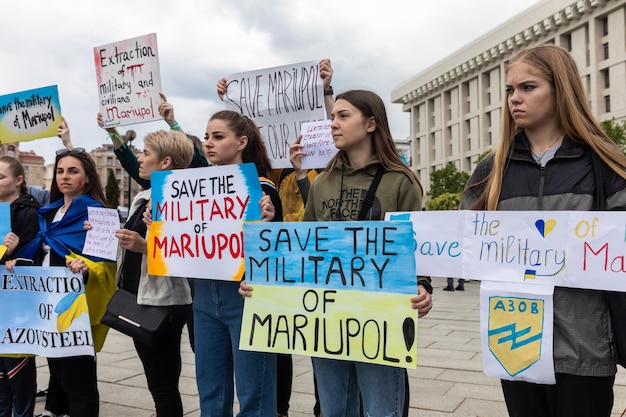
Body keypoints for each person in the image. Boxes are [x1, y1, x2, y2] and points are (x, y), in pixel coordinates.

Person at [241, 89, 433, 416]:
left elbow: (416, 248)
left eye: (343, 116)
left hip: (380, 318)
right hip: (328, 319)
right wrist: (262, 281)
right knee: (333, 410)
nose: (334, 124)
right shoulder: (323, 182)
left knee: (381, 410)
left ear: (371, 123)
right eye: (332, 117)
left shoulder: (402, 182)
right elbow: (303, 247)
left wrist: (423, 285)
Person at [461, 44, 626, 417]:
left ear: (560, 89)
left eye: (528, 87)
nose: (514, 99)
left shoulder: (603, 164)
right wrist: (421, 282)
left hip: (585, 350)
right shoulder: (491, 170)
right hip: (515, 347)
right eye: (510, 90)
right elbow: (459, 241)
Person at [8, 144, 117, 417]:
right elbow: (41, 252)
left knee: (78, 379)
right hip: (46, 306)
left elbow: (104, 264)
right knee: (58, 373)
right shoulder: (49, 213)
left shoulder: (98, 213)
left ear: (88, 177)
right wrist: (16, 260)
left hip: (74, 307)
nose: (64, 176)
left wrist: (86, 267)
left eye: (72, 171)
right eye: (59, 171)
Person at [192, 109, 281, 416]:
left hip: (247, 297)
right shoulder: (195, 188)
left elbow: (277, 251)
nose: (209, 143)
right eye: (206, 137)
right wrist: (157, 223)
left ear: (242, 141)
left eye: (218, 136)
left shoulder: (263, 189)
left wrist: (268, 222)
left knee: (254, 392)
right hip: (204, 296)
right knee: (210, 391)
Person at [109, 130, 194, 416]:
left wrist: (145, 247)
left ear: (166, 162)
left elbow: (189, 255)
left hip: (164, 302)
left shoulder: (186, 201)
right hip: (139, 296)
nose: (139, 160)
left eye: (146, 153)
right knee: (158, 383)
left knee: (163, 385)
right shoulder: (145, 196)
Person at [0, 156, 40, 417]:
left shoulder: (29, 213)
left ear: (18, 181)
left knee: (18, 370)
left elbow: (33, 261)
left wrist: (12, 252)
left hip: (17, 305)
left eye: (1, 176)